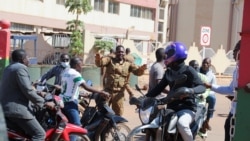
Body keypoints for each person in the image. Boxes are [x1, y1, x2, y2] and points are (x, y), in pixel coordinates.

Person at [146, 42, 206, 141]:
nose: (166, 56)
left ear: (175, 55)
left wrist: (190, 90)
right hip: (171, 108)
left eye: (169, 53)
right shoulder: (169, 72)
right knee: (155, 125)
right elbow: (158, 88)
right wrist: (145, 98)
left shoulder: (189, 70)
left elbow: (202, 87)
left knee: (182, 124)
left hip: (187, 108)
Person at [0, 49, 54, 140]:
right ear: (22, 59)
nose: (29, 60)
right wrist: (44, 102)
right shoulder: (20, 68)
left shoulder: (8, 68)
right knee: (40, 134)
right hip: (17, 110)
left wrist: (38, 93)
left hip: (5, 109)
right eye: (28, 57)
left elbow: (17, 88)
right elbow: (27, 90)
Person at [95, 45, 147, 116]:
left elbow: (137, 72)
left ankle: (115, 127)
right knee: (102, 113)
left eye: (122, 52)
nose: (120, 53)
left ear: (125, 53)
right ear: (115, 53)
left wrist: (142, 69)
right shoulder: (110, 60)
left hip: (119, 94)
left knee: (118, 115)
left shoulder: (128, 64)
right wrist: (98, 59)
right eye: (119, 52)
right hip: (107, 92)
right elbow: (100, 63)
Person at [205, 40, 240, 141]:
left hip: (239, 110)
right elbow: (231, 89)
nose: (233, 53)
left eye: (236, 50)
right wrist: (210, 86)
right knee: (228, 127)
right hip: (234, 109)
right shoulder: (236, 69)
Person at [60, 57, 110, 127]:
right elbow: (86, 87)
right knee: (77, 127)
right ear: (77, 65)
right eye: (81, 65)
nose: (82, 67)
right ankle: (74, 138)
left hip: (62, 101)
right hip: (70, 103)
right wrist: (101, 92)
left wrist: (84, 94)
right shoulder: (75, 74)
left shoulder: (66, 72)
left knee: (70, 124)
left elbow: (70, 87)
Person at [199, 57, 217, 131]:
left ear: (210, 65)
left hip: (207, 93)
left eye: (207, 63)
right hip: (196, 92)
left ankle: (207, 121)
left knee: (213, 98)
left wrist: (206, 94)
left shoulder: (212, 75)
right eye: (204, 63)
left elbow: (213, 88)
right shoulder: (197, 71)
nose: (205, 64)